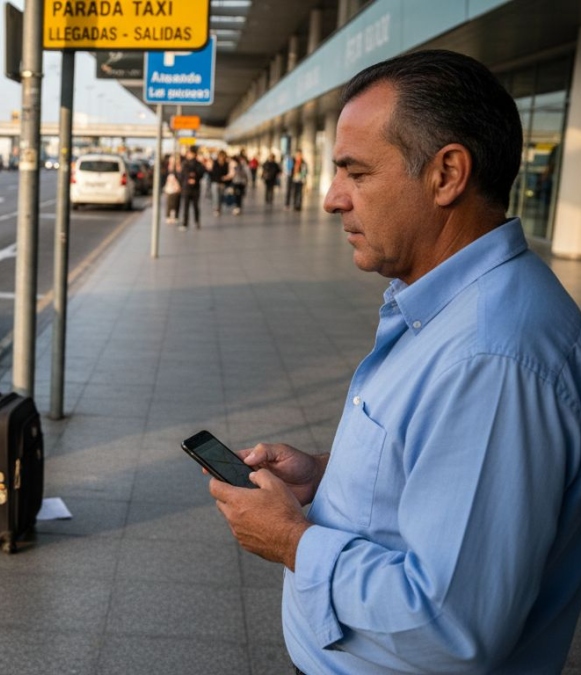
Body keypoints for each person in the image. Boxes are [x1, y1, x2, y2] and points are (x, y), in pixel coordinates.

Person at [204, 49, 581, 674]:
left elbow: (451, 626)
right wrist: (327, 476)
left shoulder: (491, 358)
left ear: (446, 174)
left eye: (356, 173)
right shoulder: (449, 308)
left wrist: (293, 540)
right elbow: (436, 479)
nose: (332, 199)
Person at [178, 146, 205, 230]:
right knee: (187, 206)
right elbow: (181, 175)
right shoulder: (185, 163)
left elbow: (201, 173)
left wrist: (194, 178)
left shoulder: (196, 164)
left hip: (193, 188)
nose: (188, 155)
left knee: (194, 206)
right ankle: (189, 222)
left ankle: (192, 222)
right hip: (187, 187)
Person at [163, 154, 181, 224]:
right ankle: (168, 216)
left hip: (177, 188)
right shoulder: (168, 168)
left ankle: (176, 217)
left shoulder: (178, 168)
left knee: (176, 203)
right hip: (170, 188)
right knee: (169, 203)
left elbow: (181, 177)